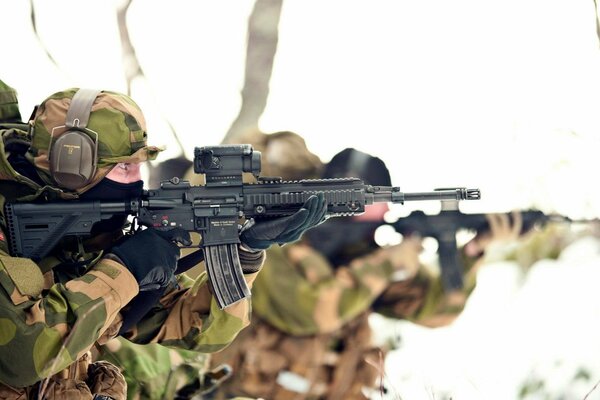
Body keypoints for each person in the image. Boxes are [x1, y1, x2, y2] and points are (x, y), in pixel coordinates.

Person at [0, 89, 326, 399]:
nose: (137, 180)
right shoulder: (17, 236)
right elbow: (21, 357)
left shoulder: (88, 239)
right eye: (124, 166)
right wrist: (125, 269)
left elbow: (200, 329)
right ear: (71, 168)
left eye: (141, 165)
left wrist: (247, 250)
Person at [206, 132, 484, 400]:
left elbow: (435, 313)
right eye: (377, 199)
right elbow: (310, 312)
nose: (386, 210)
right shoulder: (274, 238)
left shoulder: (361, 252)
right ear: (346, 202)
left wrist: (472, 252)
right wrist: (387, 264)